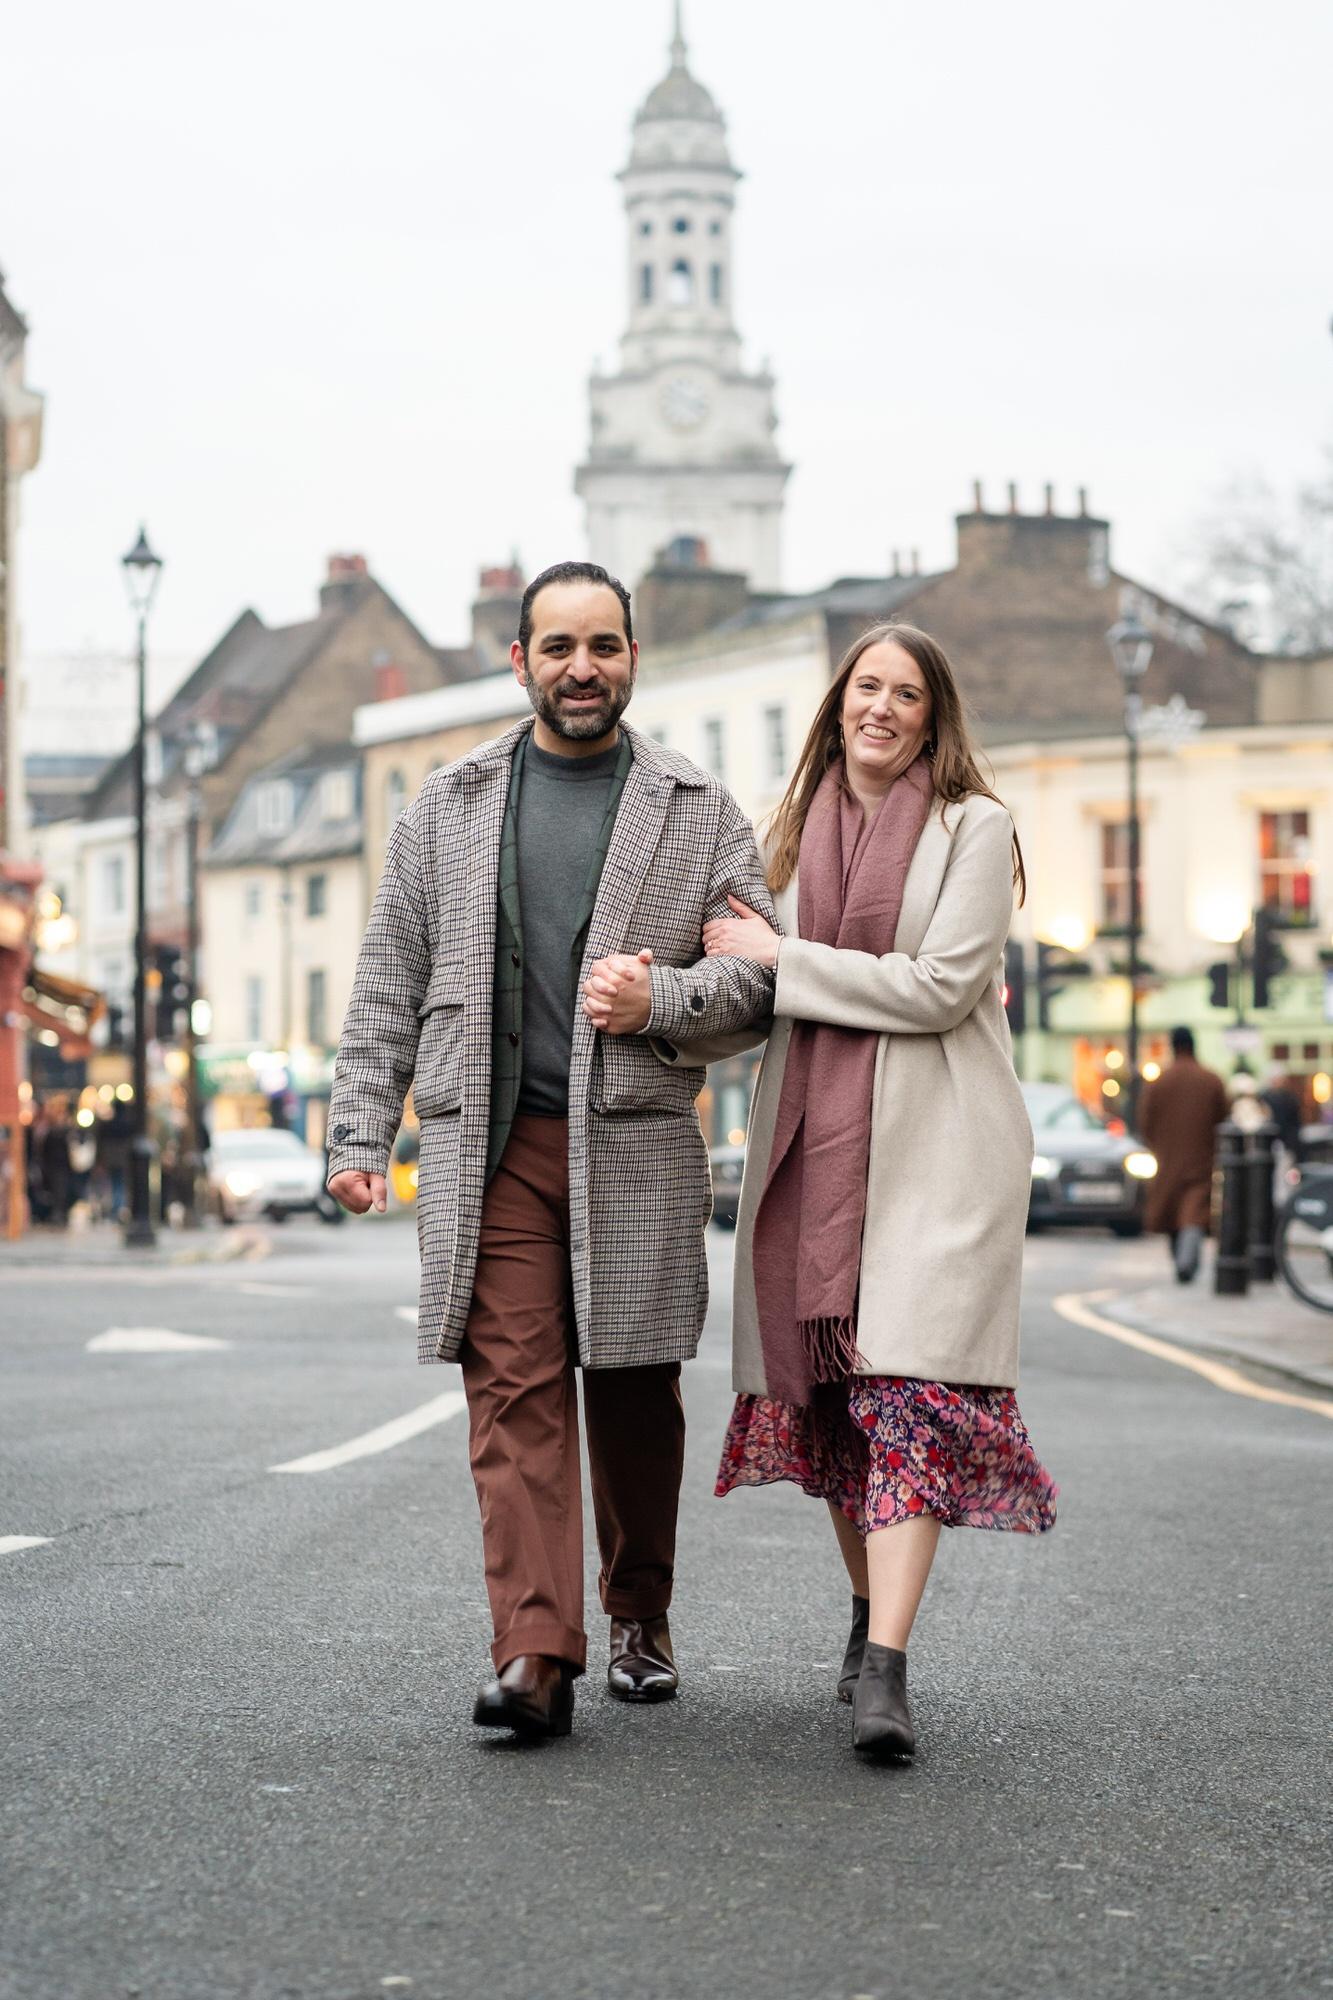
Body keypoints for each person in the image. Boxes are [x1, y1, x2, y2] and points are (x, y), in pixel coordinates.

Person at [326, 559, 775, 1742]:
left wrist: (663, 998)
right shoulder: (448, 805)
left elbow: (761, 976)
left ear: (634, 657)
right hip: (490, 1149)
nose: (585, 667)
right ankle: (534, 1647)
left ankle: (639, 1614)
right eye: (560, 647)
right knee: (511, 1392)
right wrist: (358, 1130)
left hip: (631, 1143)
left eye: (606, 646)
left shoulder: (698, 808)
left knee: (632, 1386)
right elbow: (389, 978)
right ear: (517, 661)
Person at [592, 621, 1056, 1763]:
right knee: (845, 1409)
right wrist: (665, 996)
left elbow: (938, 986)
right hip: (813, 1160)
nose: (883, 708)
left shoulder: (975, 828)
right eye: (867, 688)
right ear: (837, 704)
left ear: (935, 719)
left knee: (904, 1397)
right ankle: (865, 1620)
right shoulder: (790, 838)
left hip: (936, 1157)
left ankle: (886, 1669)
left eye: (907, 694)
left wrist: (777, 955)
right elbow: (753, 999)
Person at [1139, 1027, 1229, 1283]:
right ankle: (1187, 1260)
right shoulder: (1211, 1080)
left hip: (1167, 1159)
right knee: (1194, 1212)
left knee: (1171, 1211)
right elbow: (1223, 1119)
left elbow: (1145, 1122)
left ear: (1173, 1046)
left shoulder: (1159, 1082)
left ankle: (1182, 1259)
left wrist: (1158, 1145)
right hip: (1201, 1158)